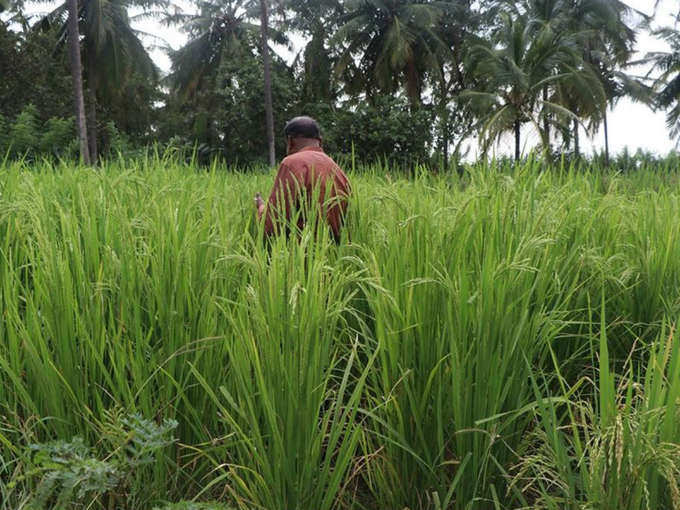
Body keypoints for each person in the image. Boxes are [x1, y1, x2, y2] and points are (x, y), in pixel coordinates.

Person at [255, 116, 351, 242]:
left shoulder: (292, 163)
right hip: (334, 254)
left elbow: (272, 223)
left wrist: (261, 207)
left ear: (290, 141)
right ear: (320, 141)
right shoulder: (337, 169)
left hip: (302, 255)